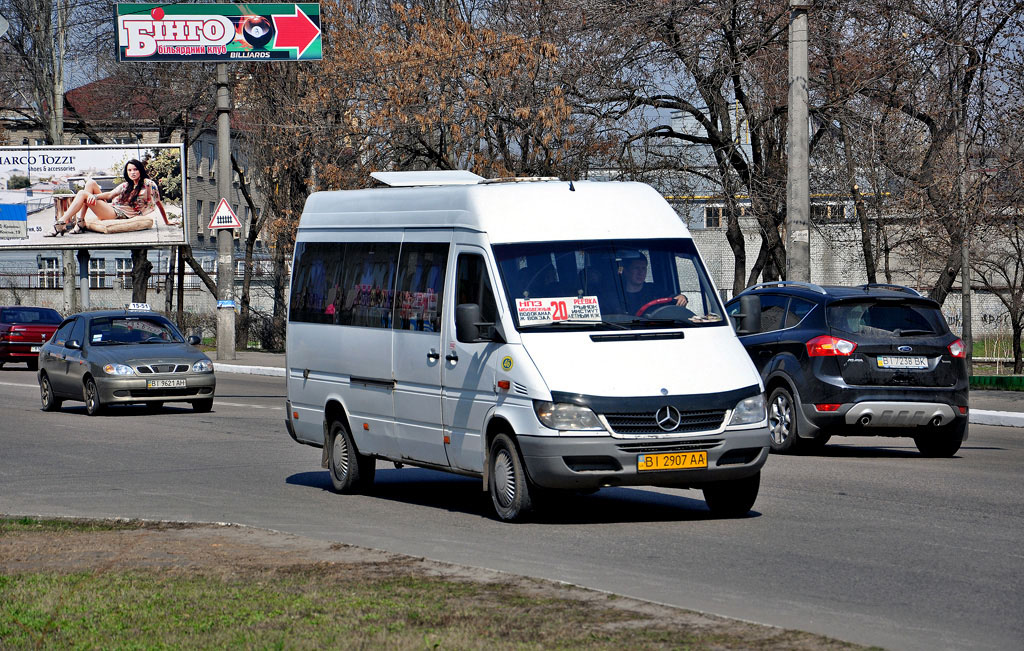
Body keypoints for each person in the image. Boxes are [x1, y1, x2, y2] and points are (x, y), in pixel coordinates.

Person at [45, 159, 174, 236]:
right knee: (90, 183)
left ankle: (60, 224)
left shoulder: (149, 185)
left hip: (119, 214)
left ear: (140, 170)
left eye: (135, 169)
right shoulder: (126, 185)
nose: (132, 173)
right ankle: (80, 222)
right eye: (129, 170)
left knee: (82, 194)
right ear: (127, 172)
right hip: (112, 208)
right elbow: (109, 195)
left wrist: (167, 221)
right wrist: (94, 196)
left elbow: (158, 202)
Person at [620, 253, 689, 315]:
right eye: (636, 268)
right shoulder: (617, 294)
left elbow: (671, 297)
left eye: (643, 268)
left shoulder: (654, 290)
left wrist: (681, 297)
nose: (640, 272)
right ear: (626, 271)